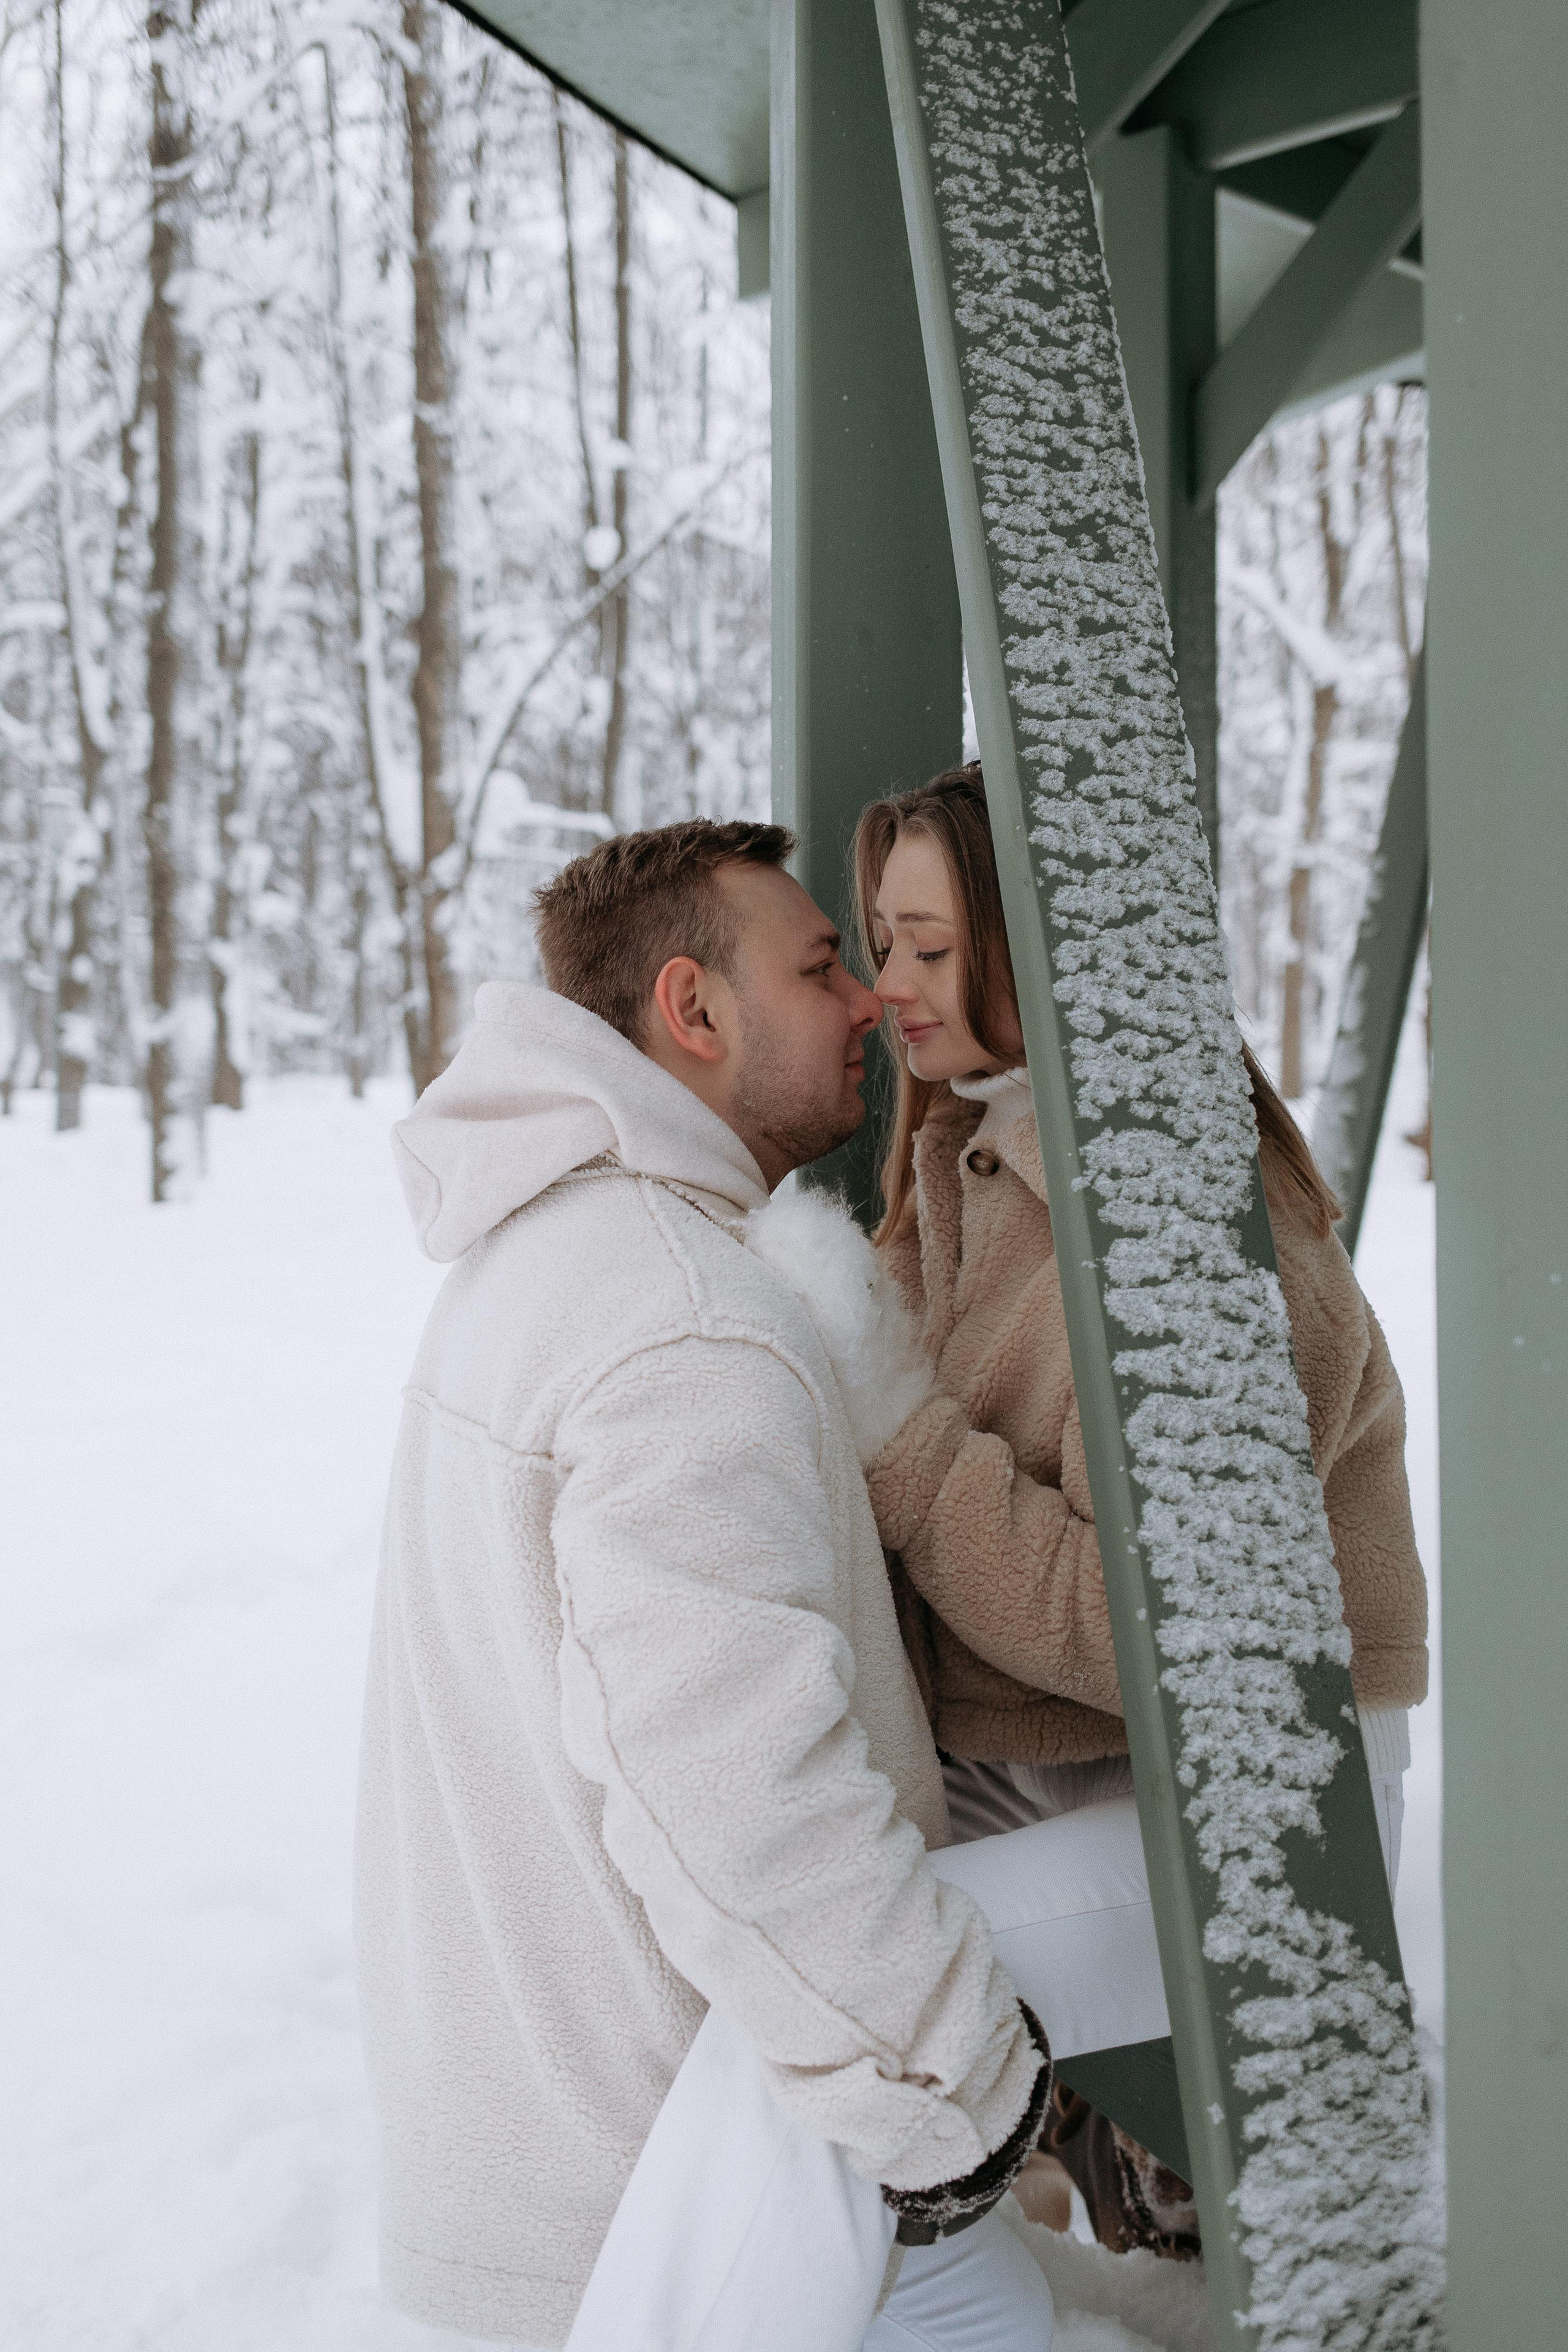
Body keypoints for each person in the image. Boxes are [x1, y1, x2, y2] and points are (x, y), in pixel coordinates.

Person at [354, 818, 1056, 2352]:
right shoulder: (685, 1327)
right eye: (819, 967)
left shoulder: (545, 1260)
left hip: (562, 2153)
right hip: (703, 2188)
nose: (867, 1000)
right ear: (692, 1012)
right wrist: (955, 2086)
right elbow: (728, 1789)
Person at [852, 762, 1431, 2256]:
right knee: (757, 1930)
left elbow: (1152, 1636)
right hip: (1031, 1752)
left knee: (851, 1989)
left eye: (929, 947)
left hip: (1247, 1810)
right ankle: (1068, 2176)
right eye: (879, 941)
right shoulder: (957, 1161)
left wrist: (900, 1454)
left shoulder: (1193, 1221)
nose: (887, 985)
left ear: (1032, 946)